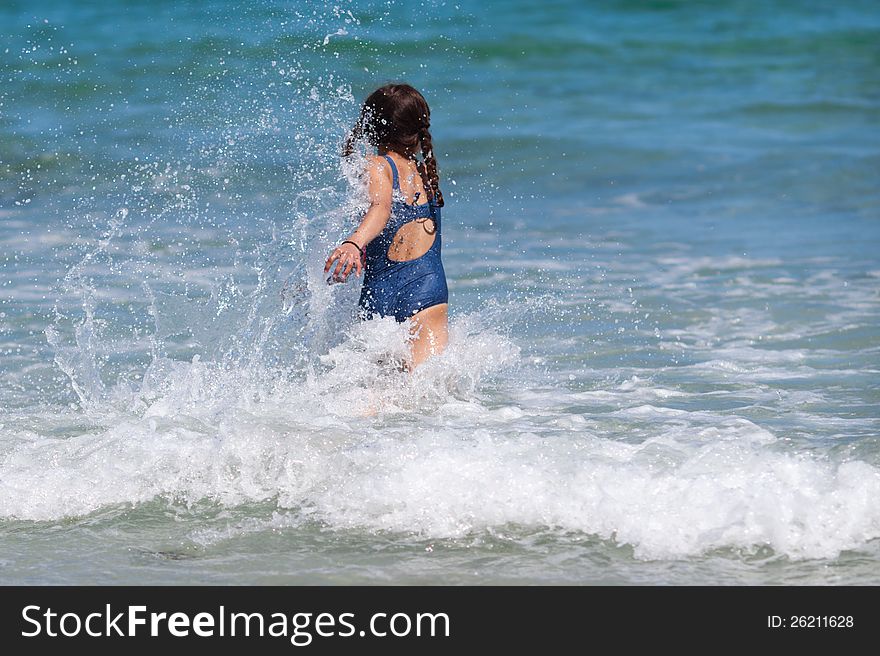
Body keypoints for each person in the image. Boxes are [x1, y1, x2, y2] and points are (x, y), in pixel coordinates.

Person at [324, 84, 448, 369]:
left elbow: (381, 208)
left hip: (382, 295)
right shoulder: (425, 173)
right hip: (430, 290)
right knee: (428, 394)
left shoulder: (378, 166)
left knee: (377, 402)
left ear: (371, 127)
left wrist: (353, 243)